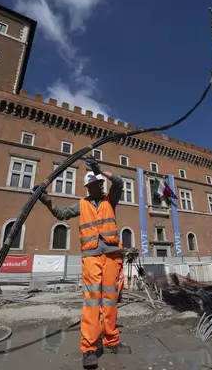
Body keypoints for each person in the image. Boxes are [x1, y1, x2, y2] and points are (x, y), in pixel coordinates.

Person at [35, 157, 131, 368]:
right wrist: (47, 201)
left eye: (92, 184)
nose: (89, 188)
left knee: (110, 300)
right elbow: (62, 214)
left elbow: (120, 182)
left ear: (99, 185)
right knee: (92, 301)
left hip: (112, 255)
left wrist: (100, 170)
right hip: (91, 257)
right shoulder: (81, 204)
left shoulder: (110, 200)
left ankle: (111, 340)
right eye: (87, 186)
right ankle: (89, 349)